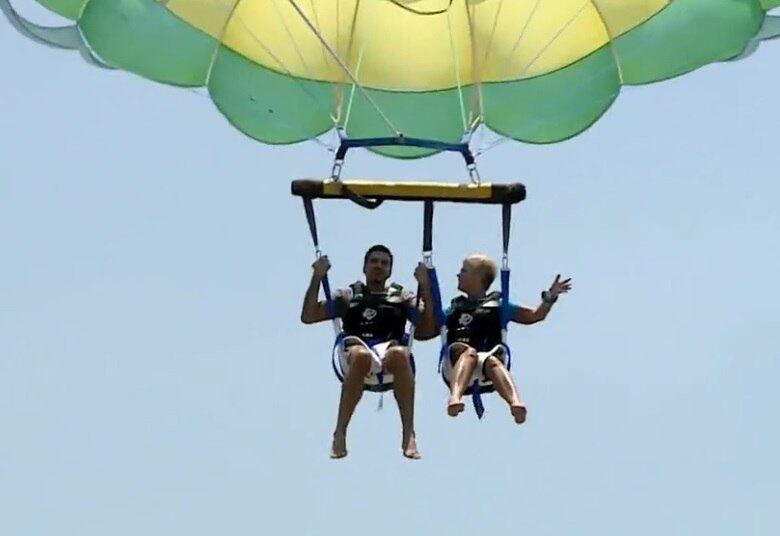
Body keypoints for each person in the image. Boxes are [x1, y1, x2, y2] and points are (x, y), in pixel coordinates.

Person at [301, 245, 436, 459]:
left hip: (390, 351)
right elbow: (309, 315)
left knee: (400, 355)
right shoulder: (349, 295)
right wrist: (317, 277)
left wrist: (426, 288)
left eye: (384, 263)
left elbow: (427, 330)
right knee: (362, 357)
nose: (378, 266)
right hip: (357, 348)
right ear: (364, 267)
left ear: (390, 270)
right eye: (373, 261)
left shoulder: (402, 296)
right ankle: (340, 432)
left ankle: (409, 434)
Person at [443, 254, 571, 423]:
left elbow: (535, 316)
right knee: (470, 354)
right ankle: (455, 397)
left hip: (488, 359)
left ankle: (515, 403)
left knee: (492, 361)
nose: (458, 275)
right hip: (458, 359)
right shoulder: (454, 308)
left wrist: (550, 298)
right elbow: (429, 325)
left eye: (463, 270)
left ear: (478, 276)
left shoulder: (499, 304)